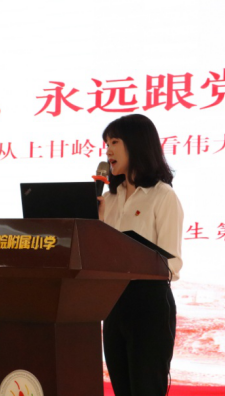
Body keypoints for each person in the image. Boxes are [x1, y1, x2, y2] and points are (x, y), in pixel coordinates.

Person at [97, 114, 184, 396]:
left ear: (135, 144)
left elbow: (172, 263)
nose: (108, 151)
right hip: (113, 304)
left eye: (114, 142)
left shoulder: (162, 196)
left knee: (147, 389)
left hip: (149, 303)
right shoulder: (107, 200)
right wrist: (95, 222)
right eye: (106, 143)